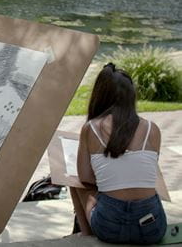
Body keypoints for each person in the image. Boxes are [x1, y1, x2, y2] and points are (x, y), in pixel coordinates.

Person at [70, 63, 167, 245]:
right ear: (131, 96)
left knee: (76, 184)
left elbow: (85, 178)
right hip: (151, 226)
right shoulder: (152, 129)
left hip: (109, 227)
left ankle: (85, 235)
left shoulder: (91, 128)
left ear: (100, 96)